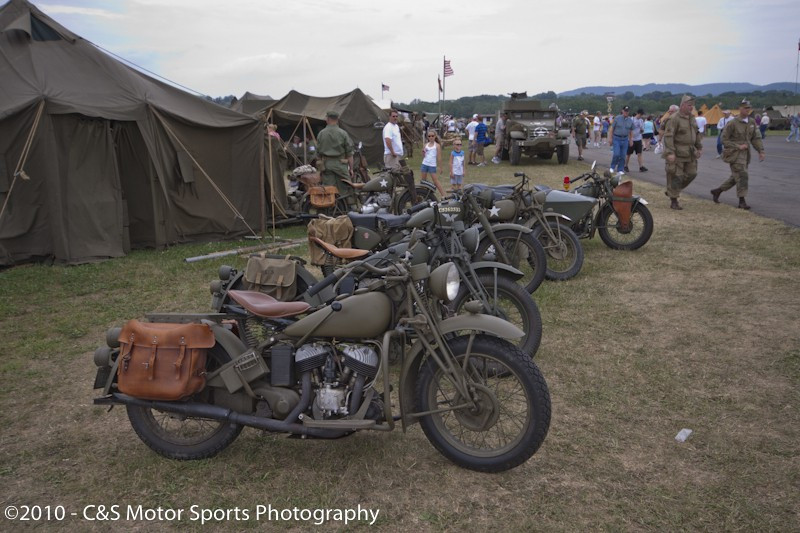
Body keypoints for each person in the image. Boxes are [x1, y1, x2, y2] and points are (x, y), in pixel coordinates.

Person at [711, 100, 765, 210]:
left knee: (736, 176)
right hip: (734, 154)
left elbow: (756, 138)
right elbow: (723, 139)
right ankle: (742, 201)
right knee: (743, 175)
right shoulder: (732, 123)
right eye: (745, 108)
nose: (747, 110)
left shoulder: (752, 122)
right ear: (740, 109)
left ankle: (718, 191)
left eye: (749, 108)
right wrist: (737, 146)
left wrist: (761, 150)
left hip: (745, 155)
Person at [663, 95, 703, 210]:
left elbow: (696, 133)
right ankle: (674, 200)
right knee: (677, 176)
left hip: (690, 152)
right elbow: (668, 136)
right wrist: (670, 152)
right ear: (682, 105)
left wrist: (699, 147)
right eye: (689, 105)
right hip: (677, 152)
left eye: (692, 106)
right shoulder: (674, 118)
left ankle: (672, 190)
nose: (691, 108)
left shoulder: (692, 118)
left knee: (692, 173)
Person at [316, 110, 355, 204]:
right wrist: (351, 169)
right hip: (341, 165)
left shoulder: (321, 133)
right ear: (337, 120)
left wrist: (320, 169)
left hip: (327, 165)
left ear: (327, 119)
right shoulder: (343, 133)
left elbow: (318, 154)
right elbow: (349, 154)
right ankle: (349, 206)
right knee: (346, 187)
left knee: (328, 188)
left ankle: (329, 206)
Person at [608, 105, 634, 173]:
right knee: (616, 154)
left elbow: (631, 131)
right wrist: (610, 138)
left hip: (625, 139)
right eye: (625, 111)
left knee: (623, 155)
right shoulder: (617, 118)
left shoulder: (630, 120)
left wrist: (631, 140)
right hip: (616, 138)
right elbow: (612, 128)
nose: (626, 112)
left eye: (627, 111)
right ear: (622, 111)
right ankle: (612, 167)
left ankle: (620, 169)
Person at [421, 130, 446, 196]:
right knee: (423, 181)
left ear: (435, 136)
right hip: (425, 164)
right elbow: (423, 156)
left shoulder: (437, 146)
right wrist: (423, 152)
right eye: (429, 136)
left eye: (432, 136)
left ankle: (443, 195)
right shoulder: (425, 145)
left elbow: (439, 157)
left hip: (432, 165)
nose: (431, 137)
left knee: (435, 181)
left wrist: (440, 167)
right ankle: (423, 194)